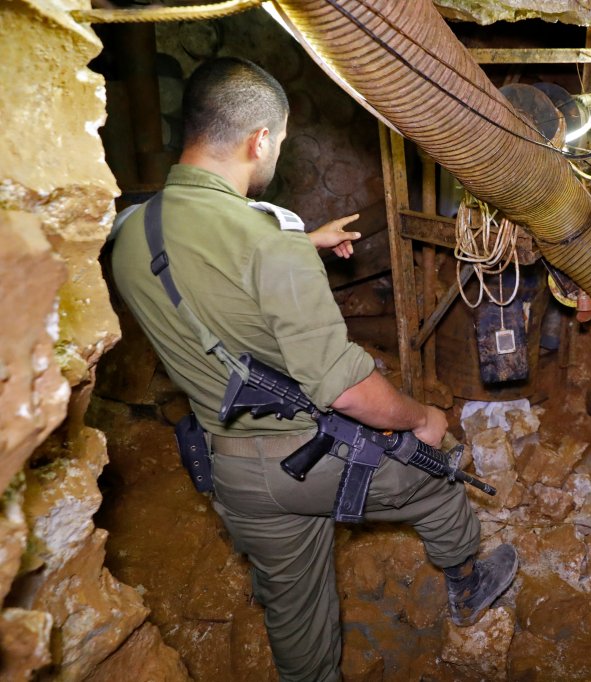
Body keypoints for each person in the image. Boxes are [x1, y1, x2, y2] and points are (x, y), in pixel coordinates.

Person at [110, 57, 517, 682]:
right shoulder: (269, 244)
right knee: (440, 476)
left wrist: (303, 245)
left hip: (226, 467)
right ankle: (468, 586)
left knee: (293, 606)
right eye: (281, 141)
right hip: (312, 457)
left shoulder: (135, 234)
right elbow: (349, 390)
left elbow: (212, 279)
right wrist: (426, 418)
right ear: (259, 140)